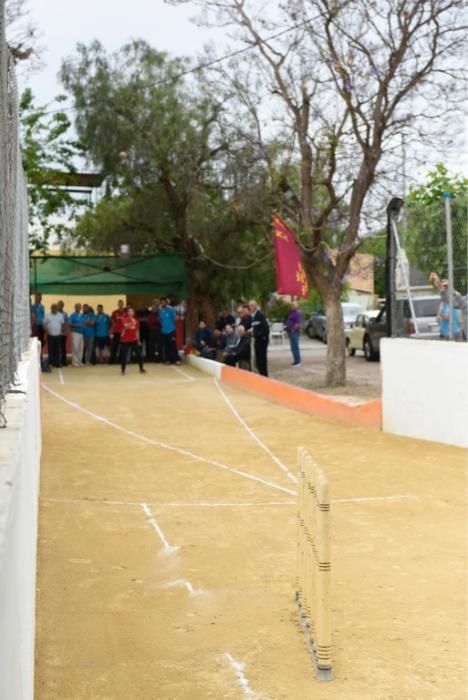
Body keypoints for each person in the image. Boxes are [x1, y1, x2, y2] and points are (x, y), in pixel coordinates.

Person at [119, 308, 146, 375]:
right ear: (127, 313)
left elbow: (137, 331)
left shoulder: (136, 321)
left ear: (133, 313)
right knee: (124, 355)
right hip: (125, 340)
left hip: (133, 340)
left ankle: (141, 368)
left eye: (131, 311)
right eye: (129, 311)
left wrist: (138, 340)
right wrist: (131, 323)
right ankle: (123, 370)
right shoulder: (124, 319)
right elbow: (125, 327)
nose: (130, 312)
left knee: (139, 354)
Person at [248, 299, 270, 376]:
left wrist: (257, 334)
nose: (250, 307)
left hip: (262, 340)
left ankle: (264, 375)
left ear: (256, 306)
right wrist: (253, 331)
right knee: (257, 359)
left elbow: (266, 328)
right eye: (250, 305)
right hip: (257, 339)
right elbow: (256, 327)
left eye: (252, 305)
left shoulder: (260, 315)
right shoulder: (253, 316)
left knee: (262, 359)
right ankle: (261, 374)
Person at [159, 297, 181, 365]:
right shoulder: (160, 311)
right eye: (161, 302)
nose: (163, 303)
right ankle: (167, 360)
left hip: (171, 330)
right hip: (163, 331)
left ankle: (177, 359)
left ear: (166, 302)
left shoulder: (171, 310)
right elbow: (160, 320)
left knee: (173, 346)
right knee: (166, 346)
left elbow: (175, 318)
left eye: (164, 302)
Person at [43, 303, 64, 368]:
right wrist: (46, 330)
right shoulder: (47, 315)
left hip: (58, 335)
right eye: (53, 308)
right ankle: (50, 363)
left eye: (56, 308)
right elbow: (44, 324)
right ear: (51, 308)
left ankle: (57, 363)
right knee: (51, 349)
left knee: (57, 350)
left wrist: (62, 330)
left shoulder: (60, 315)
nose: (55, 309)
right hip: (50, 335)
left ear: (57, 309)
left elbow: (62, 324)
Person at [285, 301, 302, 366]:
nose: (291, 307)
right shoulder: (291, 313)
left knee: (295, 347)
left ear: (296, 306)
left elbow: (297, 323)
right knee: (292, 348)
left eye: (293, 305)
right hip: (290, 332)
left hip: (294, 332)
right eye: (291, 305)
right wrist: (287, 330)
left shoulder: (297, 313)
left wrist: (293, 329)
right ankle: (295, 361)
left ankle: (298, 361)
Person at [109, 300, 126, 364]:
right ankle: (112, 361)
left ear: (123, 304)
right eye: (119, 304)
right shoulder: (114, 312)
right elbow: (112, 321)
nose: (120, 305)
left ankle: (121, 361)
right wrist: (111, 330)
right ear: (118, 304)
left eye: (121, 304)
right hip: (116, 332)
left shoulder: (125, 312)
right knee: (114, 347)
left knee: (123, 347)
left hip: (123, 332)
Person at [57, 300, 69, 366]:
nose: (59, 306)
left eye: (60, 305)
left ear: (62, 306)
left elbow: (66, 322)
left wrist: (64, 328)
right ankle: (58, 361)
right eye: (58, 305)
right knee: (58, 348)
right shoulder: (56, 314)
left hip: (63, 333)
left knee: (63, 348)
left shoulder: (65, 314)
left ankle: (64, 362)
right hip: (57, 334)